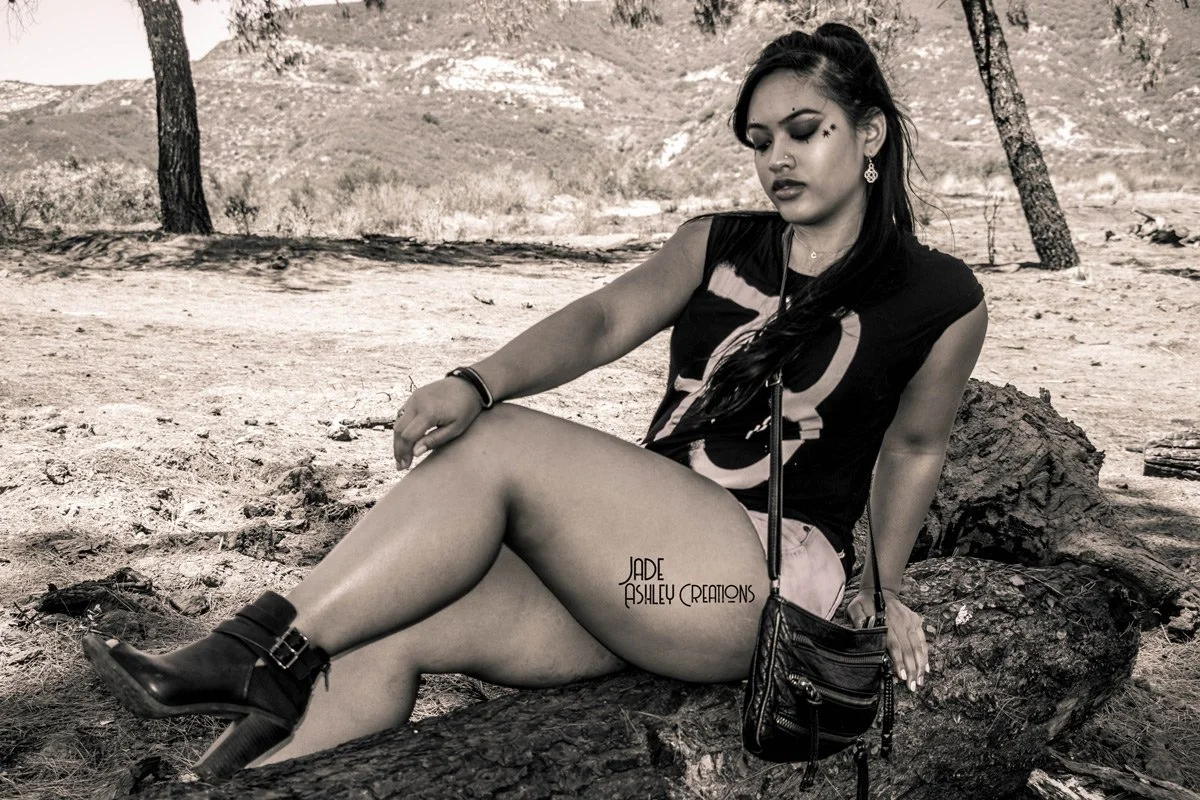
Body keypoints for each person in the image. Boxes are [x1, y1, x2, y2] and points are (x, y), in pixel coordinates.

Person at [83, 23, 987, 781]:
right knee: (373, 629)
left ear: (869, 133)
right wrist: (478, 374)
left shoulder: (939, 295)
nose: (777, 159)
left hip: (752, 581)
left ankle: (253, 651)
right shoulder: (717, 243)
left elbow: (914, 448)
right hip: (638, 571)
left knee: (498, 441)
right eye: (759, 141)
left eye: (804, 131)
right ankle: (211, 784)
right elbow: (603, 320)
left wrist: (885, 591)